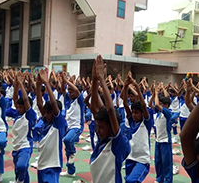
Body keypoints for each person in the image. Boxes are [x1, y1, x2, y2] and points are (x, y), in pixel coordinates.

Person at [89, 55, 130, 183]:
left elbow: (111, 110)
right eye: (97, 127)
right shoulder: (102, 141)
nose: (98, 130)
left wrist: (101, 78)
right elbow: (95, 104)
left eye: (101, 128)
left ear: (112, 127)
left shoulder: (118, 144)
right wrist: (94, 79)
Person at [35, 69, 67, 183]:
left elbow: (53, 104)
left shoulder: (59, 124)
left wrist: (46, 83)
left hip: (52, 165)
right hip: (41, 164)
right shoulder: (45, 121)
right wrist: (38, 84)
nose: (48, 115)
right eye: (47, 112)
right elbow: (39, 103)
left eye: (51, 113)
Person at [121, 73, 153, 183]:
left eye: (137, 113)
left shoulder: (146, 123)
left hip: (142, 160)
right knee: (128, 180)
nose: (134, 115)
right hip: (130, 157)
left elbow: (143, 105)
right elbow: (125, 103)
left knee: (131, 180)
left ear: (142, 114)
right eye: (133, 112)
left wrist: (137, 87)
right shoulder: (131, 122)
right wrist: (125, 86)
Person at [9, 72, 37, 183]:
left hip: (25, 146)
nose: (19, 108)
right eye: (18, 107)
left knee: (21, 166)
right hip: (16, 146)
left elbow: (25, 100)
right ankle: (21, 180)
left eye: (21, 107)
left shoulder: (30, 115)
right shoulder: (17, 115)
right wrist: (16, 85)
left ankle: (19, 181)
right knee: (19, 168)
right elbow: (15, 99)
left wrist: (21, 84)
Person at [59, 72, 85, 177]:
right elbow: (61, 90)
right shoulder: (68, 100)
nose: (70, 94)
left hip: (77, 126)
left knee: (68, 140)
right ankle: (71, 171)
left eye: (72, 92)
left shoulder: (80, 100)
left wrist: (67, 81)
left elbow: (77, 91)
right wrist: (62, 81)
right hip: (68, 126)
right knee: (66, 150)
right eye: (69, 91)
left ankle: (73, 152)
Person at [151, 85, 173, 183]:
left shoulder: (168, 113)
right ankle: (159, 178)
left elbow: (156, 105)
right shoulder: (159, 113)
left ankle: (167, 180)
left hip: (165, 141)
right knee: (158, 162)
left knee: (166, 163)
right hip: (158, 141)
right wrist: (153, 94)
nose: (159, 105)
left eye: (161, 104)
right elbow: (150, 104)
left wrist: (156, 93)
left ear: (166, 105)